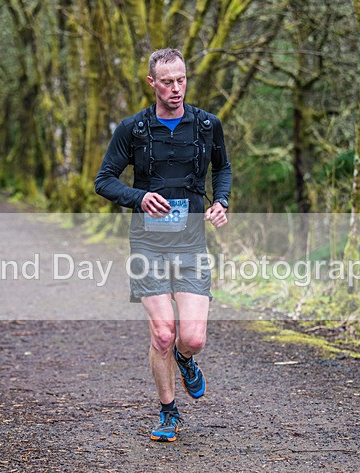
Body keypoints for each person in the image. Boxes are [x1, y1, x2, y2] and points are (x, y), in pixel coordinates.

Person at [94, 48, 231, 442]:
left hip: (190, 244)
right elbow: (104, 180)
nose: (176, 88)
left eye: (182, 80)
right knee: (163, 333)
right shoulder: (133, 130)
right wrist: (139, 198)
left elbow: (222, 168)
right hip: (148, 245)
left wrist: (220, 201)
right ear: (152, 83)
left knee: (191, 338)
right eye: (167, 82)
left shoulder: (207, 125)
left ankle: (185, 361)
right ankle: (169, 411)